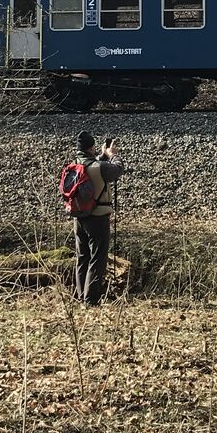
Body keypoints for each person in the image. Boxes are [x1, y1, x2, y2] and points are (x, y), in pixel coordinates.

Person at [70, 130, 123, 306]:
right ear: (92, 147)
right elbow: (117, 170)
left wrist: (103, 156)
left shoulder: (73, 165)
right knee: (97, 258)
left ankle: (80, 296)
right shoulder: (100, 167)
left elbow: (93, 165)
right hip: (98, 217)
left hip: (79, 217)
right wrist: (112, 155)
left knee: (82, 257)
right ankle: (91, 300)